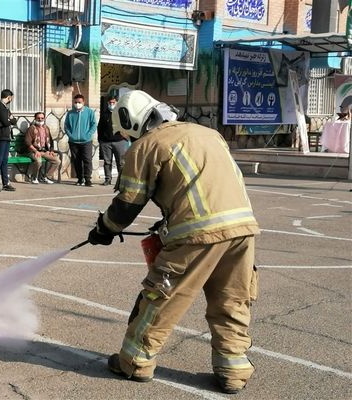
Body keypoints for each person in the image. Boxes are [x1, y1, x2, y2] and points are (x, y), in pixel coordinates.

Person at [87, 90, 259, 394]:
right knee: (231, 299)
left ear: (131, 121)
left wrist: (104, 229)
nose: (126, 138)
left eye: (126, 132)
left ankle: (135, 362)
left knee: (161, 297)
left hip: (197, 234)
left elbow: (128, 203)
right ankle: (233, 370)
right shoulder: (207, 133)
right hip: (242, 228)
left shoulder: (145, 146)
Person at [64, 94, 97, 187]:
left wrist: (88, 134)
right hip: (73, 142)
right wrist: (71, 135)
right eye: (75, 102)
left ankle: (88, 180)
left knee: (87, 160)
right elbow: (66, 126)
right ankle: (80, 179)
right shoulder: (70, 113)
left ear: (83, 102)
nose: (77, 104)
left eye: (79, 102)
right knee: (76, 161)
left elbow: (94, 124)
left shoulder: (89, 112)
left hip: (86, 141)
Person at [0, 89, 17, 192]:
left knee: (5, 160)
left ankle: (6, 182)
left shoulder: (6, 108)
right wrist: (8, 120)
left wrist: (9, 120)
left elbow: (13, 120)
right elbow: (6, 122)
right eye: (11, 98)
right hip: (0, 136)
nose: (11, 100)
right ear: (8, 97)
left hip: (6, 136)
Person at [97, 96, 127, 186]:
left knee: (121, 163)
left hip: (120, 141)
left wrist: (125, 137)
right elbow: (100, 128)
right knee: (107, 162)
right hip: (106, 142)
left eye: (113, 103)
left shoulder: (121, 113)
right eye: (110, 103)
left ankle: (121, 181)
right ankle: (107, 179)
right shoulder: (104, 114)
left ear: (117, 103)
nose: (111, 104)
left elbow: (127, 126)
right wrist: (101, 140)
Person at [24, 112, 60, 184]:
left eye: (42, 118)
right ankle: (34, 178)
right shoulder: (31, 129)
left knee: (57, 161)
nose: (40, 120)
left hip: (44, 151)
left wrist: (51, 150)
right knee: (39, 161)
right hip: (33, 151)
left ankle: (46, 177)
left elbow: (51, 140)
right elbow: (28, 143)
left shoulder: (46, 128)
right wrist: (35, 151)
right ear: (35, 118)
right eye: (38, 118)